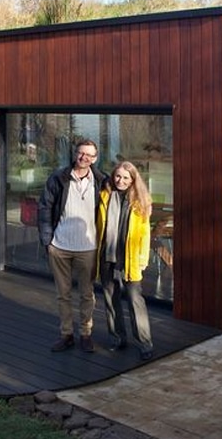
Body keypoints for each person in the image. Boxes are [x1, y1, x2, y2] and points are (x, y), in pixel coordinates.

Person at [38, 139, 107, 353]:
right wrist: (48, 240)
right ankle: (66, 334)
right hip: (60, 245)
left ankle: (86, 334)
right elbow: (44, 208)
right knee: (63, 294)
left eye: (89, 155)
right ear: (75, 154)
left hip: (87, 247)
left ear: (95, 158)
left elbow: (125, 192)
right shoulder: (59, 178)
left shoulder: (102, 181)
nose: (84, 157)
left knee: (87, 294)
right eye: (81, 153)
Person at [96, 161, 154, 360]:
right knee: (111, 300)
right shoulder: (104, 196)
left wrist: (142, 259)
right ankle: (117, 338)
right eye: (118, 176)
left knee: (134, 300)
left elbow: (145, 234)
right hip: (107, 256)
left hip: (129, 259)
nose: (120, 181)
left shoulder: (141, 202)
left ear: (133, 180)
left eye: (125, 178)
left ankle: (145, 342)